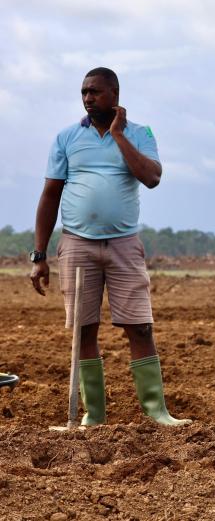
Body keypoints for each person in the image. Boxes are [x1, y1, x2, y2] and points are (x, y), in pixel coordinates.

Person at [29, 67, 189, 426]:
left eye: (95, 92)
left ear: (114, 94)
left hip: (123, 245)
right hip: (77, 245)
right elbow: (50, 194)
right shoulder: (66, 137)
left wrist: (118, 135)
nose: (88, 98)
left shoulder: (140, 133)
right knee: (83, 330)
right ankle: (93, 415)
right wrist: (39, 255)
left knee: (140, 326)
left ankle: (156, 411)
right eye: (84, 92)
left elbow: (151, 177)